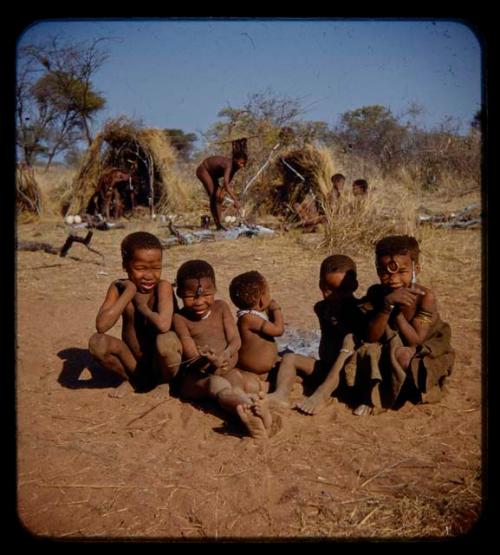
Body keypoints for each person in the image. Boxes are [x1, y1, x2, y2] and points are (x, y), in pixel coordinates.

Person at [345, 235, 455, 415]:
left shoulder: (425, 297)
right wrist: (386, 307)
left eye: (401, 272)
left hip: (423, 349)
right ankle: (378, 393)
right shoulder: (377, 293)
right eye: (385, 272)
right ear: (378, 270)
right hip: (388, 347)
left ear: (416, 269)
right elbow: (371, 337)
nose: (393, 279)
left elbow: (416, 340)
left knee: (404, 356)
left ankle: (401, 394)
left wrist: (396, 314)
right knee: (367, 351)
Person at [173, 259, 273, 439]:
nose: (199, 302)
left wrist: (226, 354)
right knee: (217, 385)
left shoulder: (221, 307)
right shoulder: (180, 318)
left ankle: (258, 411)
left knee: (246, 383)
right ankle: (247, 409)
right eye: (191, 296)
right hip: (199, 377)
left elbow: (235, 339)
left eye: (206, 294)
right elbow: (191, 355)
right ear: (179, 292)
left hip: (227, 369)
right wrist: (208, 359)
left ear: (215, 289)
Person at [267, 255, 366, 414]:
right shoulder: (321, 308)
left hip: (348, 375)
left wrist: (340, 324)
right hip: (325, 367)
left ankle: (323, 393)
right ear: (321, 285)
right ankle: (280, 395)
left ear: (354, 286)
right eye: (329, 289)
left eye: (342, 290)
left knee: (349, 339)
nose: (335, 296)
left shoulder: (359, 310)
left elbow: (356, 343)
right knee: (289, 358)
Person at [88, 231, 182, 398]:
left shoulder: (163, 287)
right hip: (133, 362)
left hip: (160, 362)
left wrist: (141, 306)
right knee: (97, 343)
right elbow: (102, 326)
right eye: (140, 268)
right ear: (125, 265)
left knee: (166, 340)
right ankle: (134, 380)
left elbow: (163, 326)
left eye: (156, 268)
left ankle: (164, 382)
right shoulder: (119, 288)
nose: (149, 275)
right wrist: (129, 291)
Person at [229, 271, 285, 392]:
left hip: (265, 369)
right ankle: (266, 387)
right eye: (268, 293)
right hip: (251, 370)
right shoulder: (249, 318)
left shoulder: (252, 315)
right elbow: (278, 330)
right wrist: (276, 309)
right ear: (261, 300)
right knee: (252, 385)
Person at [195, 150, 247, 231]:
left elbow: (228, 181)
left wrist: (222, 192)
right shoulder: (229, 164)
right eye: (241, 163)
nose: (242, 166)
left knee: (219, 197)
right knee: (214, 196)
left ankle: (219, 225)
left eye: (243, 164)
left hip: (212, 175)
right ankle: (218, 225)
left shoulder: (236, 167)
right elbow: (226, 184)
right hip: (203, 170)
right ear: (235, 160)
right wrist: (235, 200)